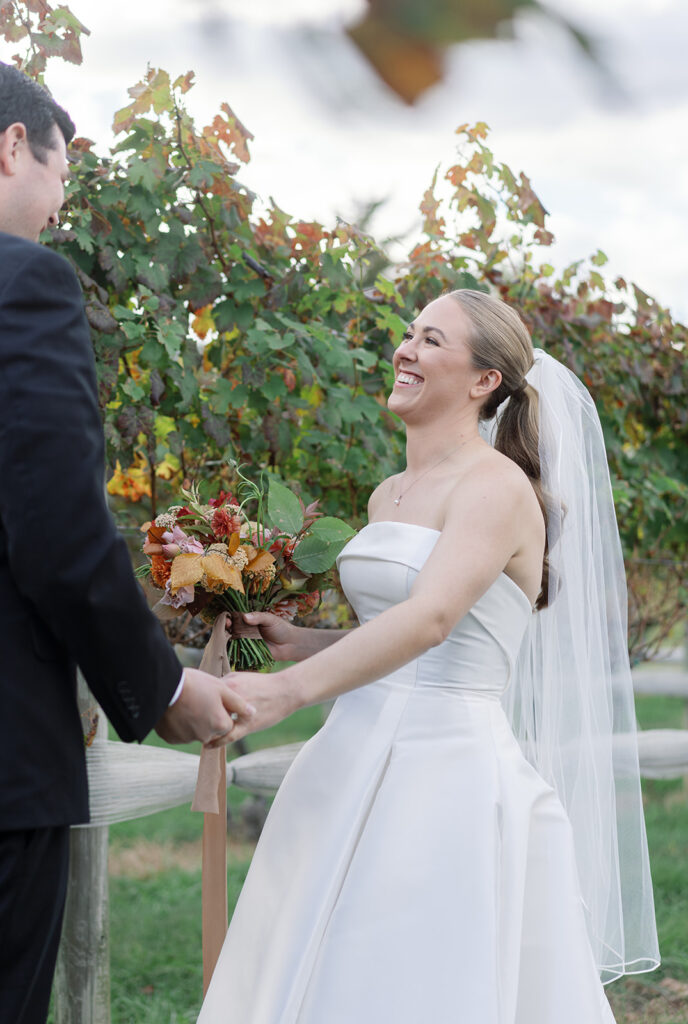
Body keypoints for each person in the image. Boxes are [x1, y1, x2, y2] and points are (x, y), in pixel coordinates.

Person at [197, 289, 660, 1022]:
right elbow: (400, 628)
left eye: (432, 340)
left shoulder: (498, 488)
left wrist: (288, 691)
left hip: (445, 770)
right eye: (410, 334)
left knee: (409, 974)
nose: (405, 350)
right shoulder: (390, 494)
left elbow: (435, 619)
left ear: (484, 382)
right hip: (349, 755)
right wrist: (308, 641)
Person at [0, 55, 253, 1024]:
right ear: (15, 145)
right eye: (63, 174)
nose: (60, 205)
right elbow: (60, 538)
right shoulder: (13, 282)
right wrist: (164, 685)